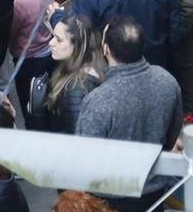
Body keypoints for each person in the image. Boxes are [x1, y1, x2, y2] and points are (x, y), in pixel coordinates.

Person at [75, 15, 182, 148]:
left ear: (106, 49)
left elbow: (85, 154)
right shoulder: (168, 81)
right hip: (156, 163)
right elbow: (173, 132)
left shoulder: (97, 102)